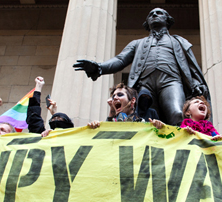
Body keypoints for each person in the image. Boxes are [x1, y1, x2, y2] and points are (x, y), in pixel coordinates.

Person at [74, 8, 209, 126]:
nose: (154, 15)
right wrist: (99, 67)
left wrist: (196, 83)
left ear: (167, 20)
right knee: (146, 118)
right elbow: (120, 60)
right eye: (151, 14)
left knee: (177, 112)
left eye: (159, 13)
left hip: (170, 80)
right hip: (145, 84)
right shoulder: (138, 43)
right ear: (147, 23)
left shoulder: (178, 41)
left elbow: (192, 66)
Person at [86, 83, 163, 202]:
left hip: (134, 196)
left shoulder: (147, 124)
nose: (115, 98)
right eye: (113, 96)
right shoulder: (104, 125)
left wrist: (160, 132)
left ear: (132, 101)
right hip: (106, 195)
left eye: (120, 95)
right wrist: (94, 130)